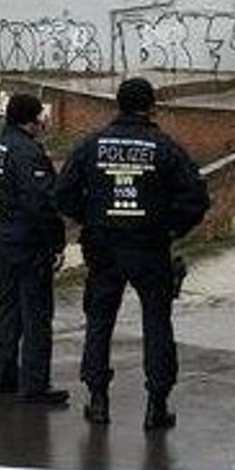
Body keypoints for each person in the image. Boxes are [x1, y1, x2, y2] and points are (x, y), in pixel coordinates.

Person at [55, 78, 209, 430]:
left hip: (103, 246)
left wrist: (90, 219)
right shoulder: (164, 147)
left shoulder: (90, 145)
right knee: (156, 323)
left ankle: (98, 400)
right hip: (150, 247)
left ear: (117, 106)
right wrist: (171, 228)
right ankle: (157, 403)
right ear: (152, 107)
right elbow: (196, 198)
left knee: (99, 322)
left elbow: (62, 193)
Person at [0, 92, 69, 407]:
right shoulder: (27, 152)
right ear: (31, 120)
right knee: (36, 313)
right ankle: (35, 385)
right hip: (28, 240)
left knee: (7, 308)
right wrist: (57, 243)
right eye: (40, 117)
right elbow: (42, 202)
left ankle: (4, 376)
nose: (44, 121)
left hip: (1, 235)